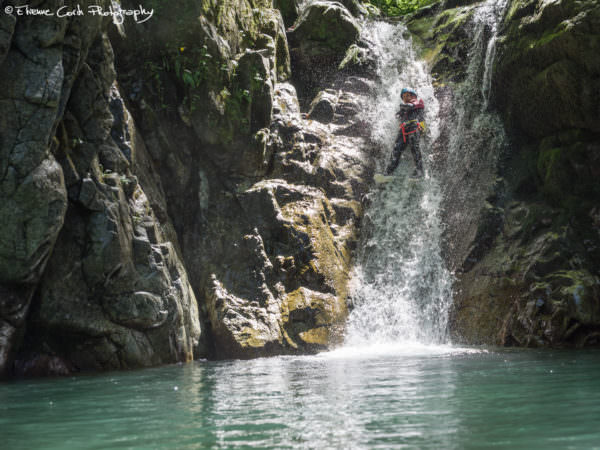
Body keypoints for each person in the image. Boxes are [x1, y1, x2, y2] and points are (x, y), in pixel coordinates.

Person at [385, 88, 426, 178]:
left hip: (414, 127)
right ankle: (389, 170)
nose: (406, 98)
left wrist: (402, 108)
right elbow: (399, 114)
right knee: (397, 148)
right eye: (404, 97)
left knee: (414, 147)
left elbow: (410, 106)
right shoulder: (404, 107)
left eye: (407, 95)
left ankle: (420, 171)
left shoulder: (418, 102)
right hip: (404, 129)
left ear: (413, 96)